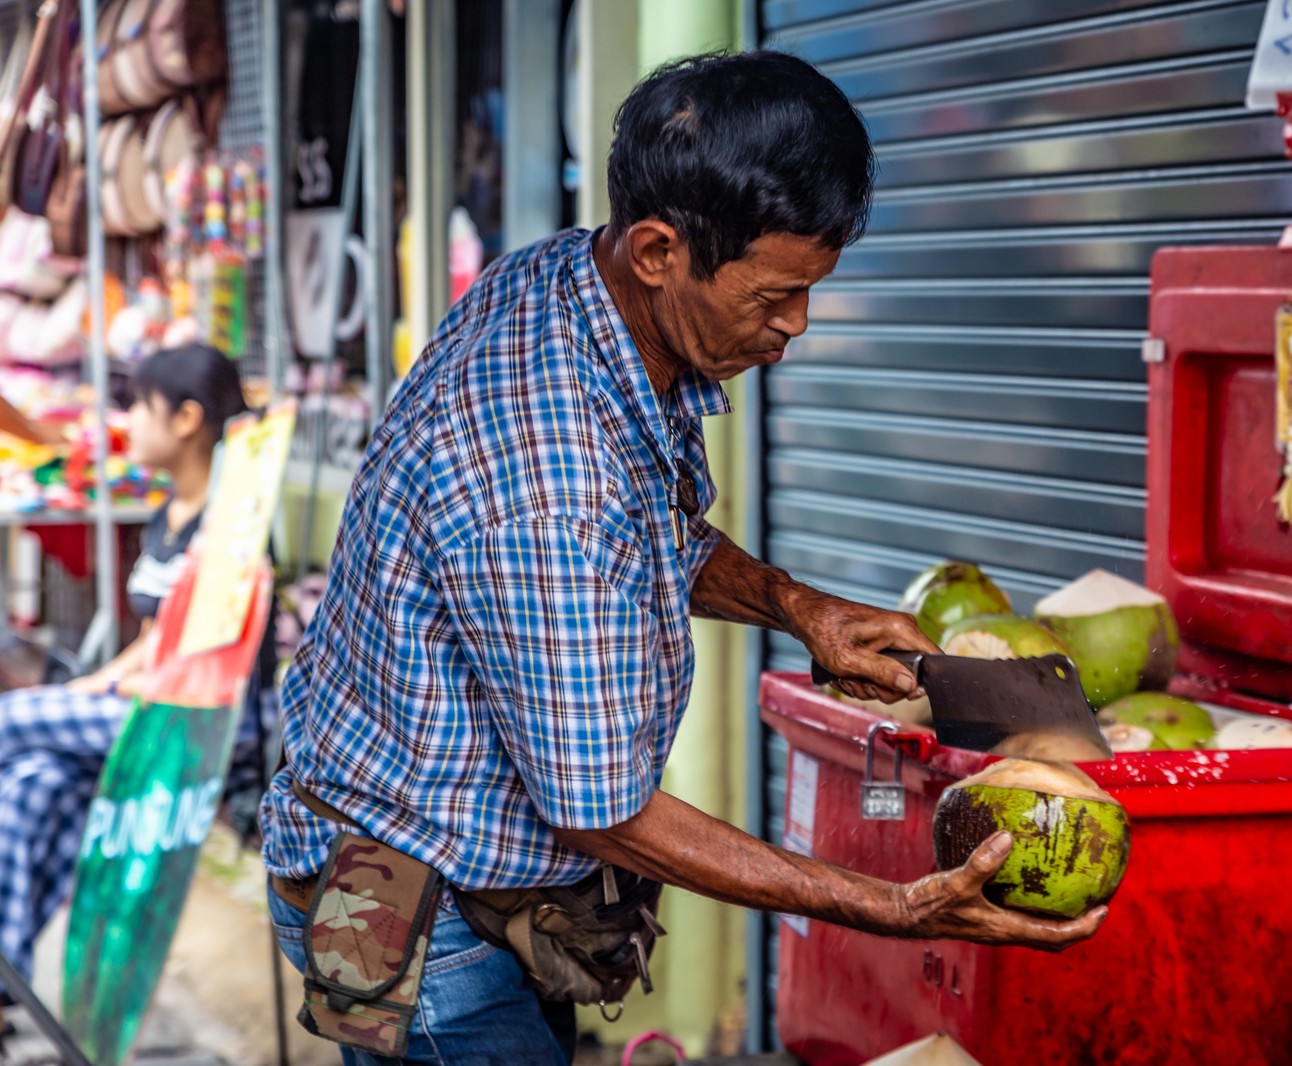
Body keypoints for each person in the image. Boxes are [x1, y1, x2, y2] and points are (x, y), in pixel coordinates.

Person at [260, 51, 1107, 1065]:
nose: (794, 327)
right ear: (659, 248)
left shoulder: (570, 280)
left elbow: (645, 536)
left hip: (455, 868)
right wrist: (890, 904)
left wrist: (798, 606)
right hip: (402, 910)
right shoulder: (549, 472)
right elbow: (603, 809)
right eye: (770, 297)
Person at [0, 344, 275, 1007]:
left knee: (9, 721)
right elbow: (152, 640)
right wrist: (90, 686)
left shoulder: (231, 528)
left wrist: (112, 687)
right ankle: (6, 982)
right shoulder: (166, 519)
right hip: (147, 701)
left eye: (139, 408)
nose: (129, 424)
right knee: (32, 787)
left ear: (186, 419)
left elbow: (200, 655)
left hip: (201, 721)